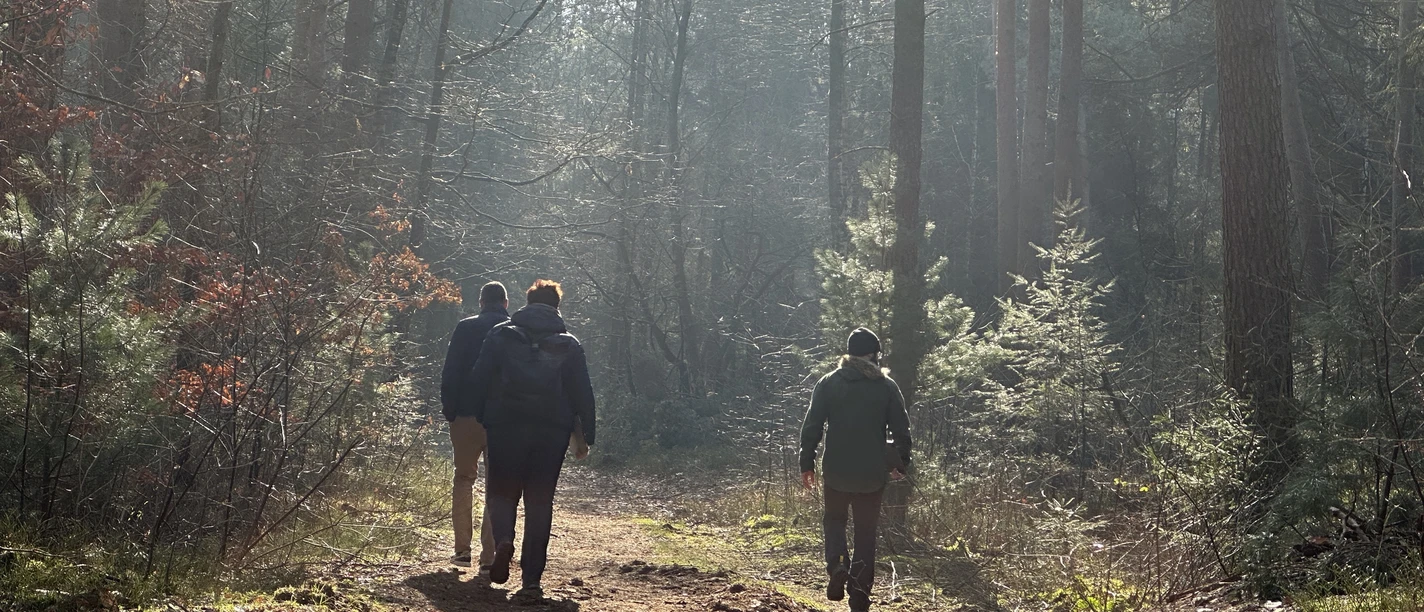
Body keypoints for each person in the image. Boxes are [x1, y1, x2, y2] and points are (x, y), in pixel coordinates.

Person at [470, 279, 596, 600]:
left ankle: (502, 542)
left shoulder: (500, 335)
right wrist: (588, 434)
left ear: (526, 303)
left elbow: (478, 379)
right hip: (551, 432)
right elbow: (583, 393)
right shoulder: (569, 344)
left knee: (501, 493)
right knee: (539, 502)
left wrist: (482, 415)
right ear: (556, 307)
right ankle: (531, 580)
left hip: (505, 427)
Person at [799, 328, 912, 612]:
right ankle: (859, 597)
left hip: (836, 471)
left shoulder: (828, 383)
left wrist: (806, 463)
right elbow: (902, 429)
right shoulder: (886, 386)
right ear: (874, 355)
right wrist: (901, 463)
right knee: (865, 533)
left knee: (834, 521)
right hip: (871, 476)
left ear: (849, 354)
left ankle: (837, 565)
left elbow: (812, 426)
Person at [439, 281, 509, 574]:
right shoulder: (513, 331)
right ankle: (489, 556)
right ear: (506, 303)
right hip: (503, 420)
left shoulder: (465, 328)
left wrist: (451, 411)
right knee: (497, 486)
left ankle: (461, 551)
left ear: (481, 302)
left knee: (464, 479)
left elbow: (451, 371)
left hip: (466, 415)